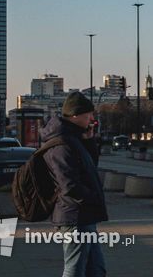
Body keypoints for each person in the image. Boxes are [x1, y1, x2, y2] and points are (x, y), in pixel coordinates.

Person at [41, 91, 108, 277]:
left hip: (84, 215)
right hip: (74, 216)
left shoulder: (74, 139)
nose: (92, 119)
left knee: (96, 269)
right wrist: (92, 197)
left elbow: (90, 167)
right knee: (74, 269)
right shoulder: (61, 144)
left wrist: (89, 141)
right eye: (88, 115)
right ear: (76, 115)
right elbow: (68, 185)